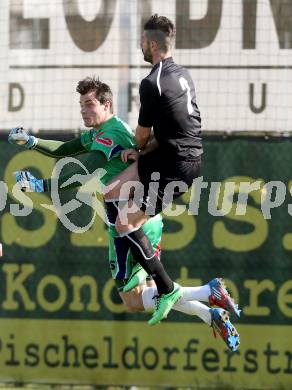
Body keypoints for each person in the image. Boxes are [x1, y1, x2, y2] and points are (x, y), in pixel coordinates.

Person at [8, 76, 240, 351]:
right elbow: (67, 149)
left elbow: (84, 173)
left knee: (132, 298)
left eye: (89, 104)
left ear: (106, 104)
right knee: (139, 297)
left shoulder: (112, 135)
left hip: (127, 220)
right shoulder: (101, 132)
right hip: (139, 218)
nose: (83, 110)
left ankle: (208, 294)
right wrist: (33, 141)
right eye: (81, 104)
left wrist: (39, 185)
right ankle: (209, 310)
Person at [103, 14, 205, 325]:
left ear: (151, 44)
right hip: (170, 156)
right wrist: (142, 152)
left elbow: (141, 135)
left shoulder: (152, 82)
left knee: (123, 223)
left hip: (174, 167)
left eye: (140, 43)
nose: (139, 48)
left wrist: (139, 148)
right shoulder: (182, 74)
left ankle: (166, 287)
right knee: (110, 192)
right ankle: (141, 250)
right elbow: (175, 127)